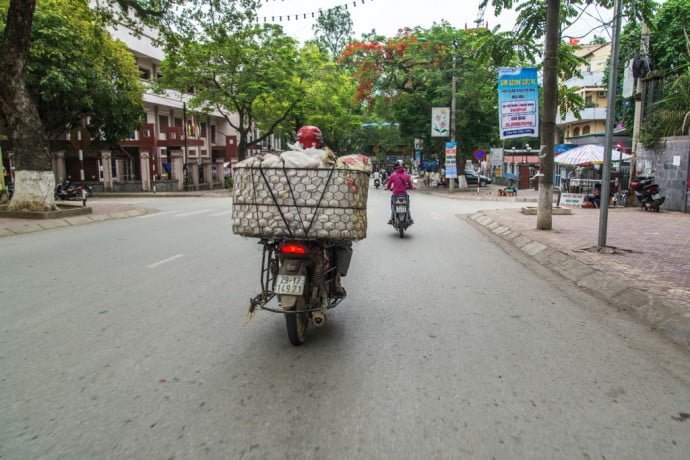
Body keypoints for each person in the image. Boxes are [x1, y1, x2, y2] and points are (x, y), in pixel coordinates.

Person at [296, 125, 350, 297]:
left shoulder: (288, 159)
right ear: (319, 141)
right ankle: (336, 280)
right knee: (344, 243)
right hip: (322, 220)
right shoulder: (330, 160)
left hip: (292, 220)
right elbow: (341, 186)